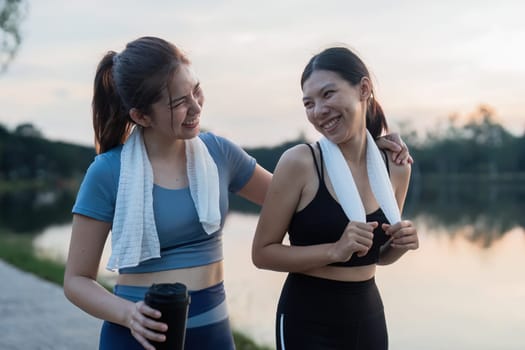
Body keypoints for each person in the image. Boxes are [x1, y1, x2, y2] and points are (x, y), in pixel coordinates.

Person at [63, 37, 412, 350]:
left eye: (196, 91)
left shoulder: (219, 154)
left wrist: (366, 152)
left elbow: (303, 200)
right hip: (139, 336)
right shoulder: (109, 171)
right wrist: (128, 315)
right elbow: (77, 281)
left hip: (214, 336)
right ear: (141, 115)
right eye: (179, 102)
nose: (197, 108)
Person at [251, 46, 420, 350]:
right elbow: (262, 254)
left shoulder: (394, 167)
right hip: (307, 317)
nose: (318, 111)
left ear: (363, 89)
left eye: (328, 94)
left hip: (367, 316)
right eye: (309, 103)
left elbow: (378, 256)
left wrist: (401, 244)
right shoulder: (300, 163)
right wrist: (334, 250)